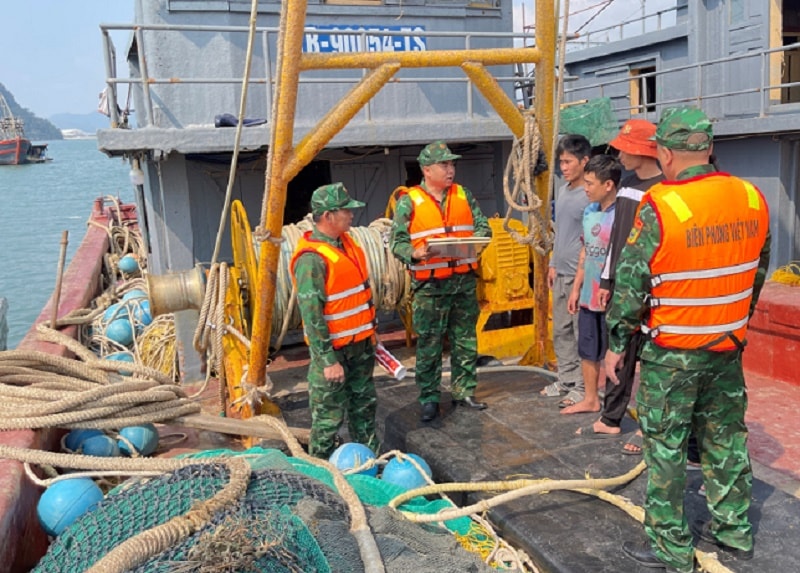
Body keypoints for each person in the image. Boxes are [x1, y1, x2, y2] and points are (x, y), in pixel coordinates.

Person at [605, 107, 770, 573]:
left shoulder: (661, 205)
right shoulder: (751, 197)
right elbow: (757, 272)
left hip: (673, 355)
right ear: (709, 149)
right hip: (725, 348)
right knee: (725, 439)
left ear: (666, 153)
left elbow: (631, 281)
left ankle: (671, 547)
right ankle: (734, 531)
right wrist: (733, 322)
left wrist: (618, 341)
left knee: (667, 447)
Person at [575, 119, 664, 443]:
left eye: (625, 148)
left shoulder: (664, 187)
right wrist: (608, 283)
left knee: (653, 360)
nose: (619, 154)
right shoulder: (626, 185)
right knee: (619, 351)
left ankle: (649, 425)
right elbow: (618, 242)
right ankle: (611, 417)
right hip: (625, 286)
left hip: (656, 288)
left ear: (642, 150)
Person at [390, 141, 492, 422]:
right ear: (427, 170)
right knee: (430, 345)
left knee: (465, 341)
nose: (451, 170)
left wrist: (479, 240)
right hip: (430, 287)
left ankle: (464, 391)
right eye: (444, 165)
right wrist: (415, 253)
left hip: (463, 282)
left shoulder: (464, 195)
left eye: (452, 164)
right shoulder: (409, 201)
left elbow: (482, 225)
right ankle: (429, 398)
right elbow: (396, 242)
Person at [290, 182, 380, 459]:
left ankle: (369, 463)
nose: (352, 215)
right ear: (328, 216)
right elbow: (312, 316)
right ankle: (321, 475)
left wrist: (371, 338)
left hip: (361, 348)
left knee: (364, 409)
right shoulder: (312, 259)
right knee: (328, 419)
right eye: (346, 211)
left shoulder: (347, 243)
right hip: (335, 354)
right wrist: (327, 360)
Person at [562, 154, 620, 415]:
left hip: (611, 296)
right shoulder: (589, 211)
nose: (585, 189)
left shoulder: (622, 213)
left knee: (613, 353)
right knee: (588, 349)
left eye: (590, 184)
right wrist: (576, 288)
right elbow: (585, 250)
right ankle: (590, 398)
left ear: (608, 185)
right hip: (589, 294)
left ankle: (613, 405)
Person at [539, 134, 592, 408]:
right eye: (561, 161)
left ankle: (583, 388)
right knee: (560, 330)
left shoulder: (590, 195)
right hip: (560, 273)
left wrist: (578, 279)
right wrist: (552, 264)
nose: (564, 167)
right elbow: (561, 232)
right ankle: (567, 379)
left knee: (578, 332)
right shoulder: (563, 190)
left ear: (585, 161)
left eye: (569, 161)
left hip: (579, 277)